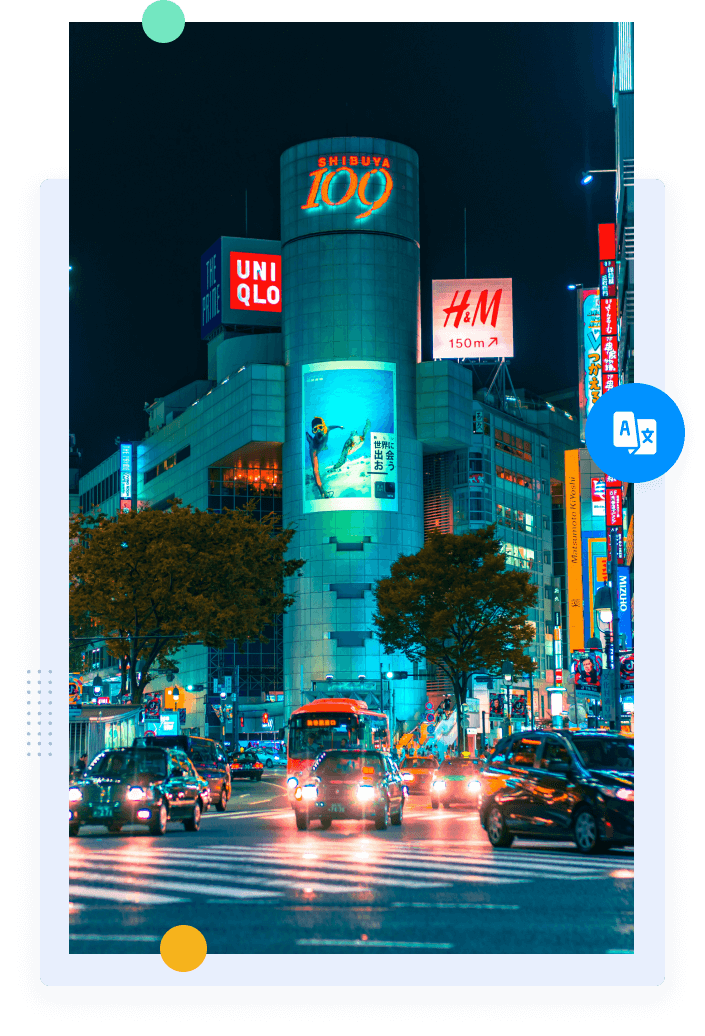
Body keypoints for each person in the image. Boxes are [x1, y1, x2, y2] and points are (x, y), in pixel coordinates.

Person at [306, 417, 344, 499]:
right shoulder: (313, 448)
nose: (319, 431)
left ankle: (324, 446)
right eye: (315, 429)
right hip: (317, 449)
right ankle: (308, 437)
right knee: (312, 442)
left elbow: (331, 427)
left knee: (325, 447)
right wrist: (322, 491)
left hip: (323, 445)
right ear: (313, 431)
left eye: (320, 427)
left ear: (324, 426)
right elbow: (316, 471)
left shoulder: (327, 430)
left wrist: (339, 426)